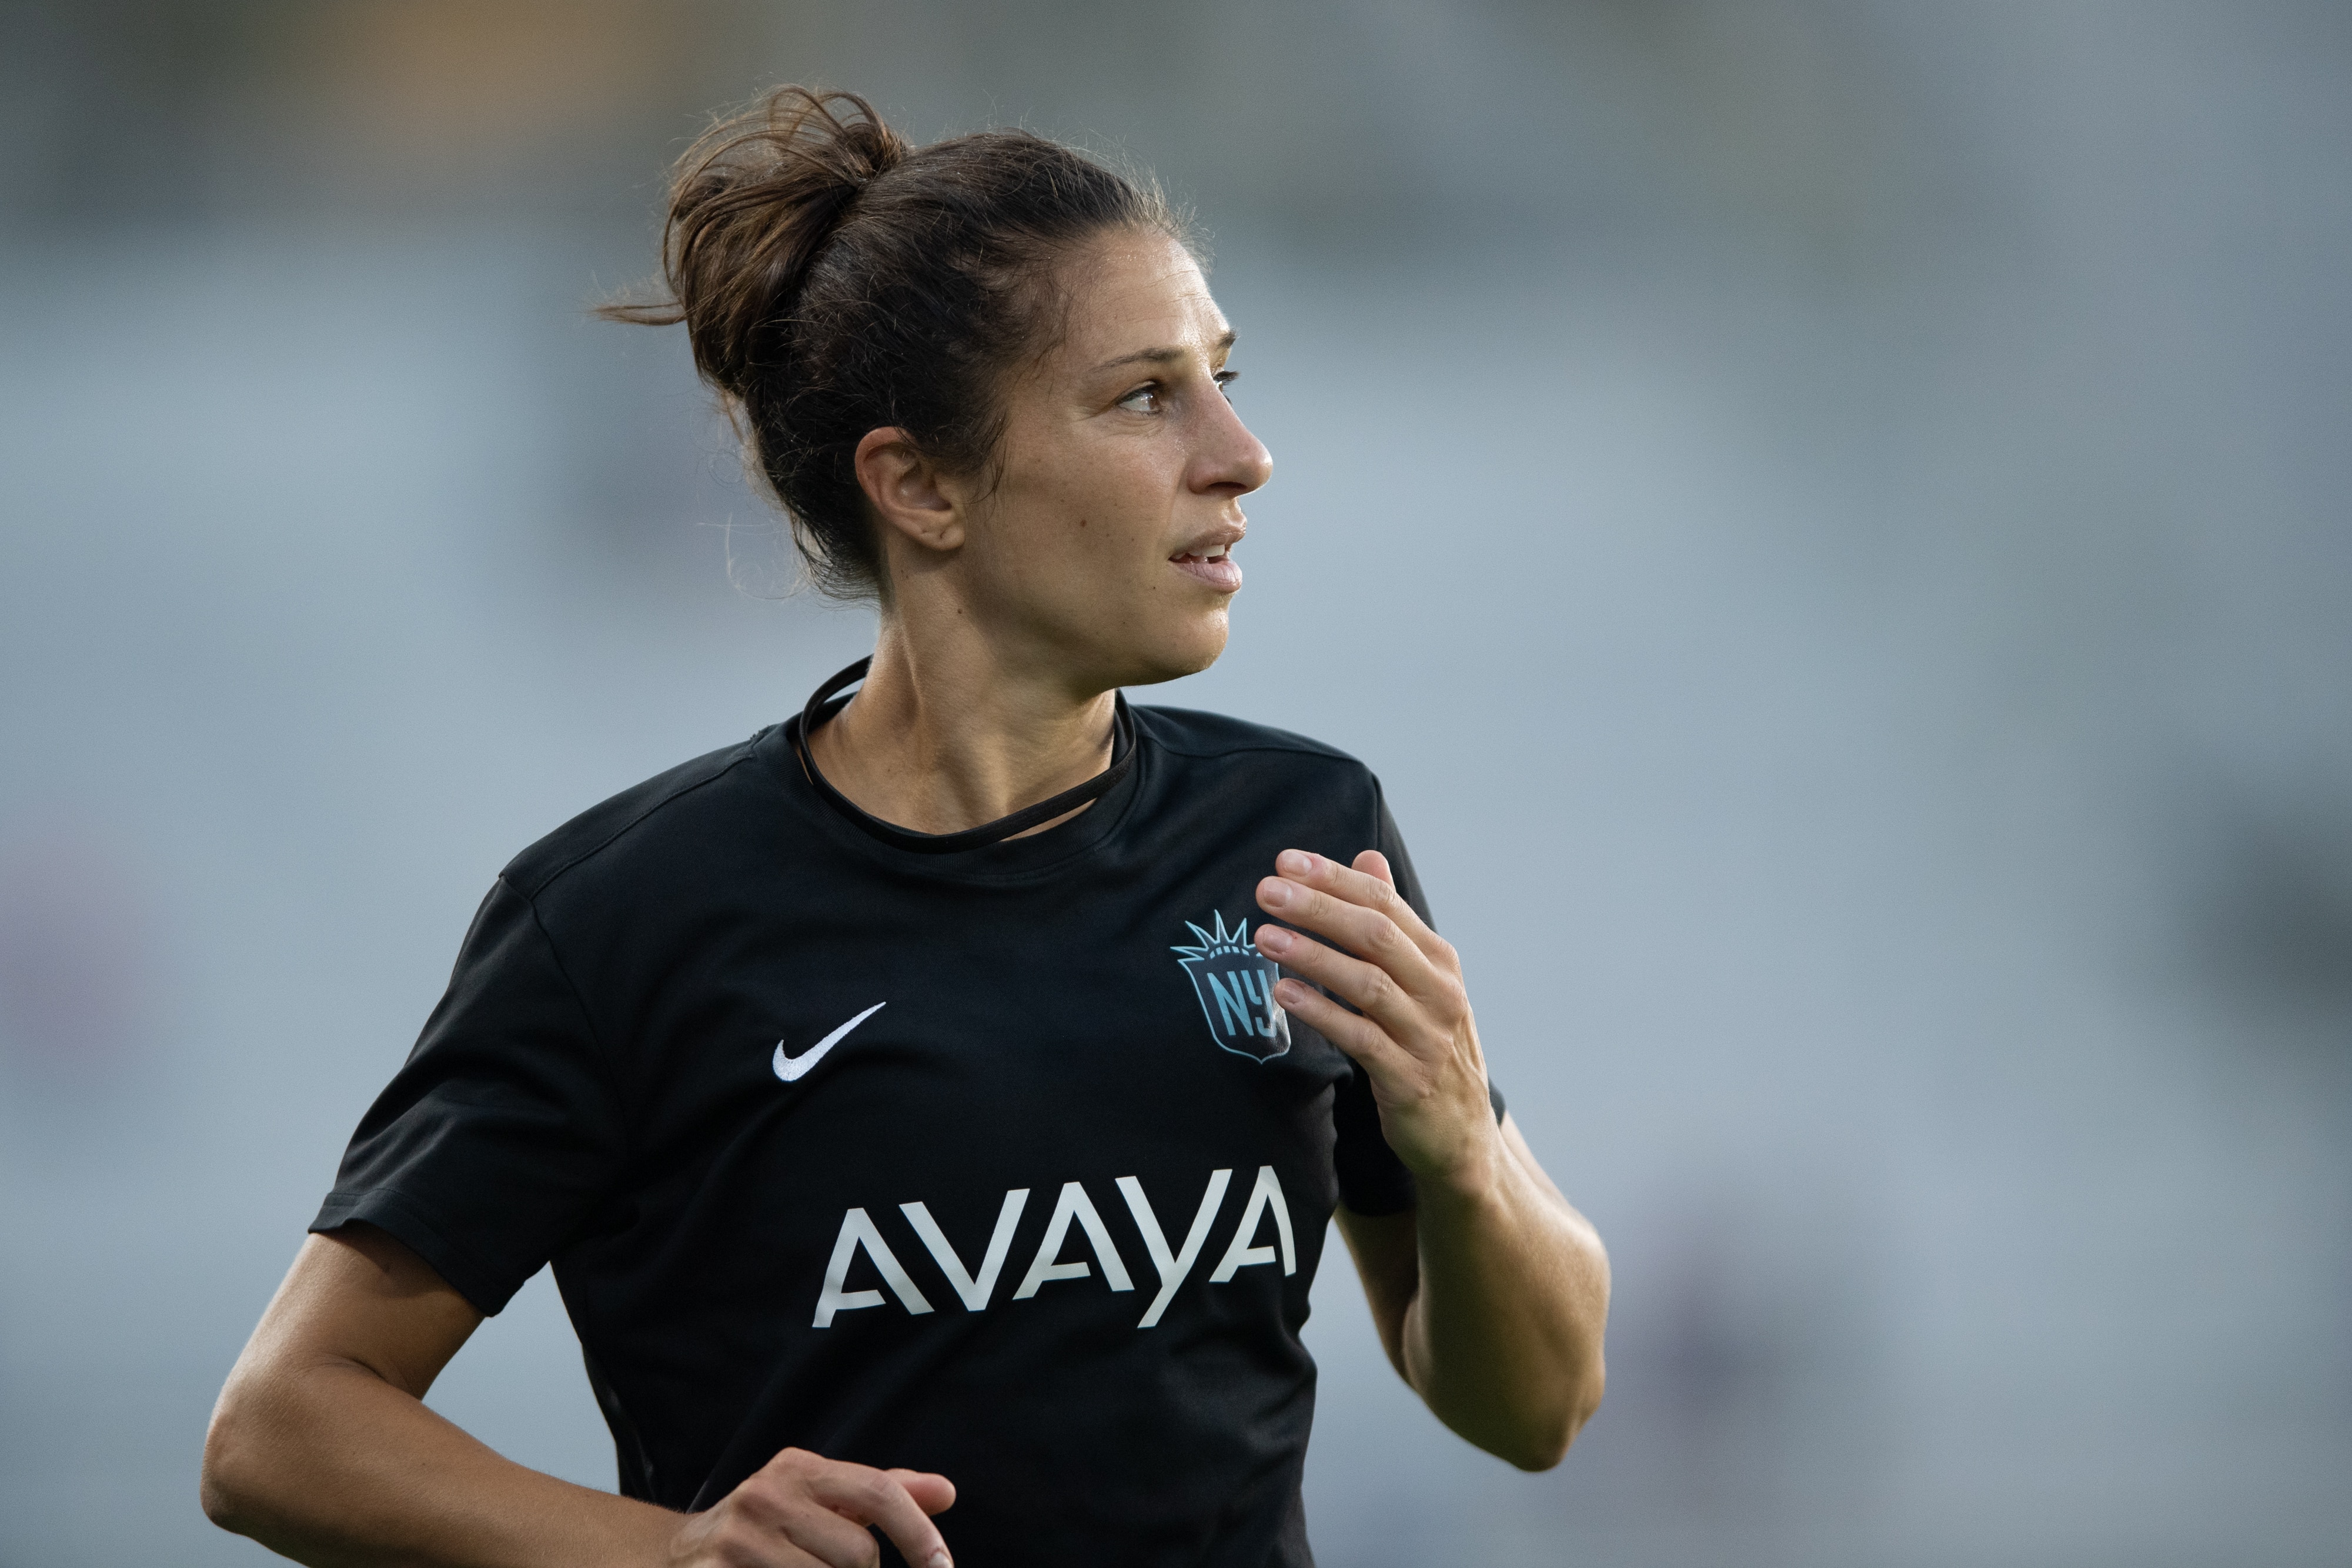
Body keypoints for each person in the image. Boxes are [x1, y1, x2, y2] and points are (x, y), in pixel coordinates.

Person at [200, 87, 1609, 1568]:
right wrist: (667, 1551)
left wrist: (1461, 1153)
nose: (1241, 452)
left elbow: (1534, 1406)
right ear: (920, 484)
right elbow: (277, 1426)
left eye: (1222, 375)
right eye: (1145, 396)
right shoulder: (625, 917)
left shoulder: (1303, 836)